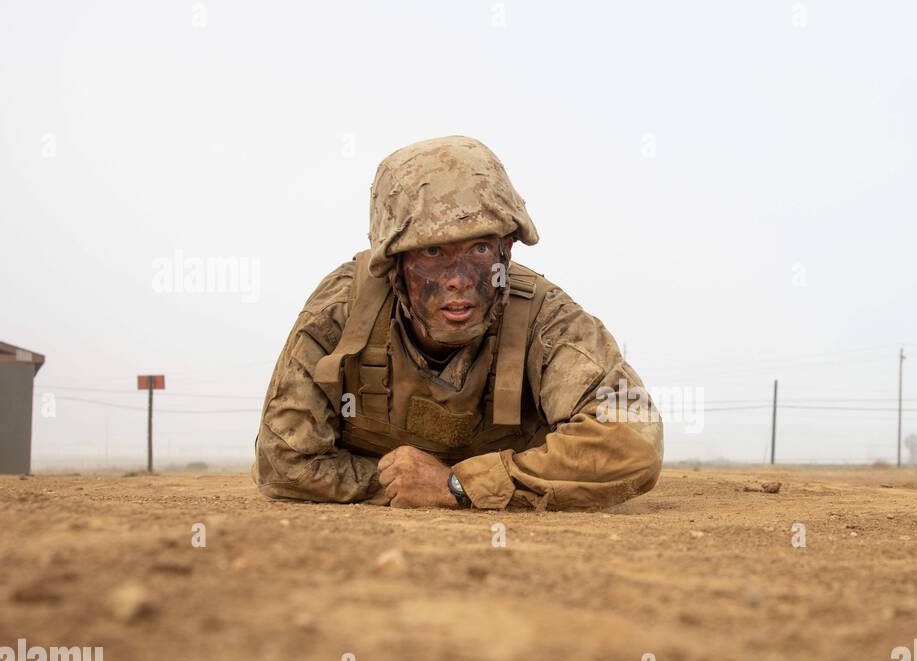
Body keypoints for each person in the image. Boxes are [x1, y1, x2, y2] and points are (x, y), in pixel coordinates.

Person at [253, 136, 663, 510]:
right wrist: (400, 486)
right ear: (393, 264)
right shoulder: (344, 308)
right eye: (432, 252)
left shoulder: (544, 317)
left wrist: (455, 485)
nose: (460, 279)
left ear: (507, 250)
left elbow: (632, 441)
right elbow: (284, 460)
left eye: (481, 248)